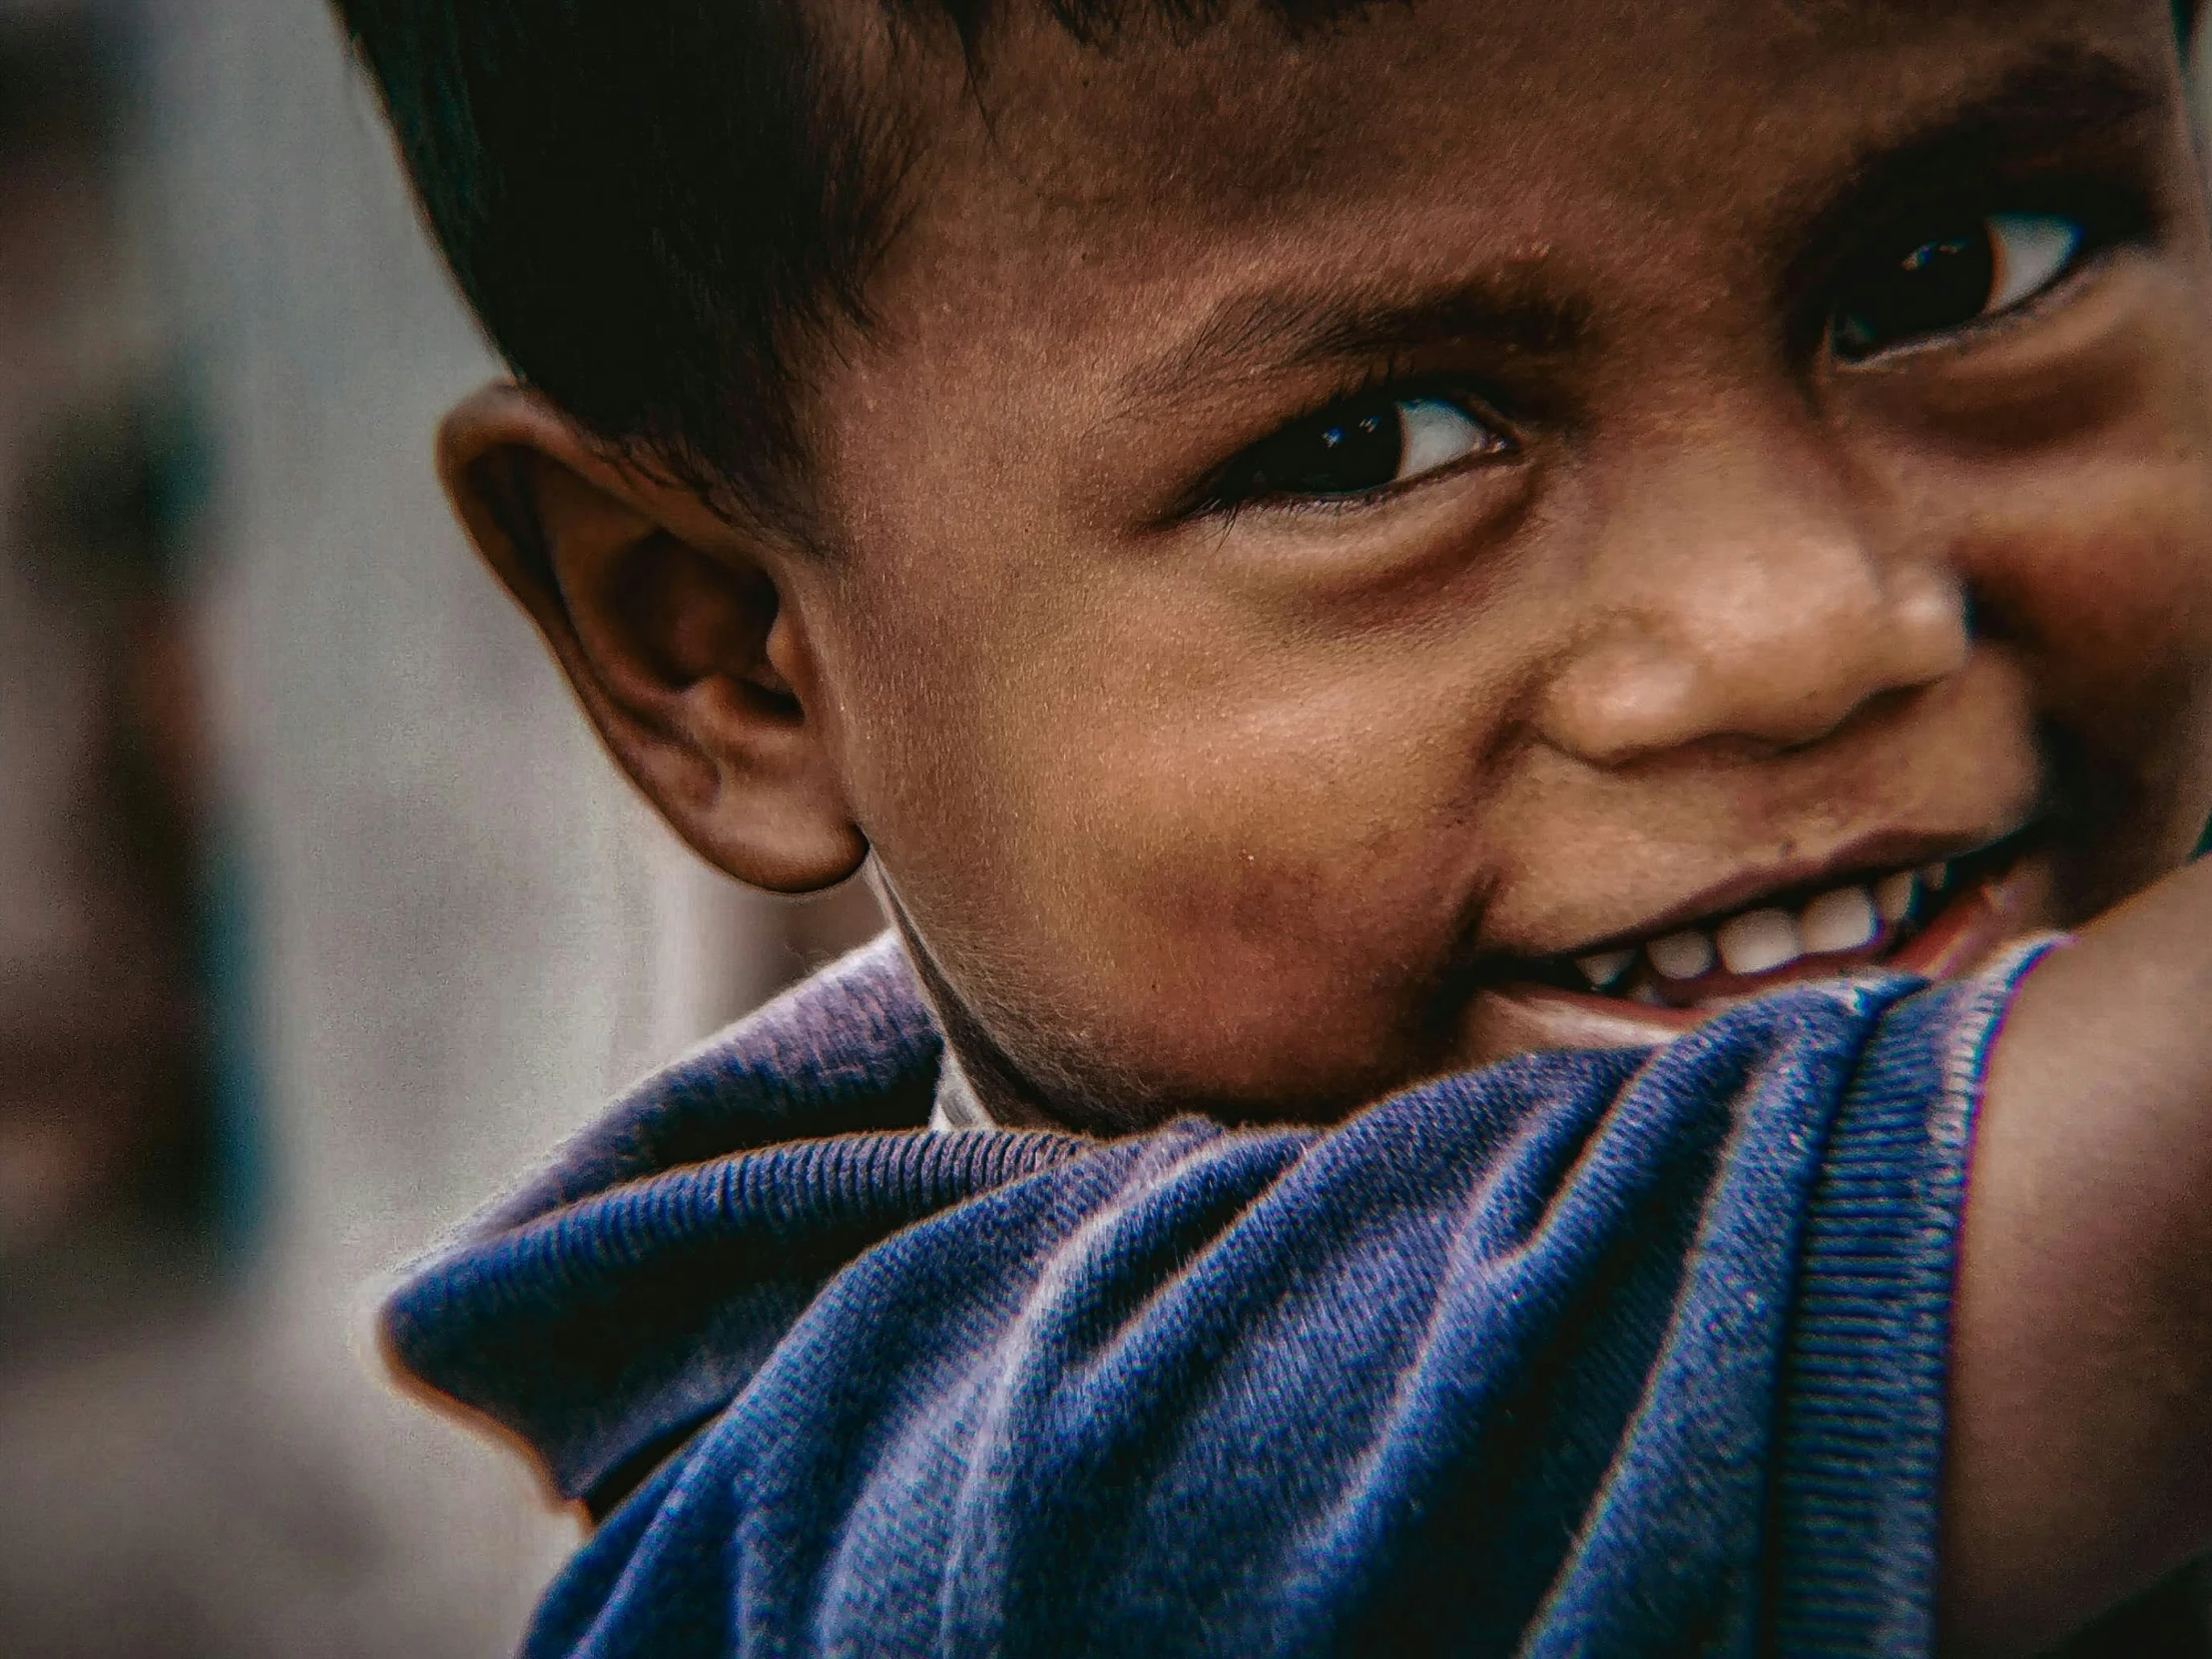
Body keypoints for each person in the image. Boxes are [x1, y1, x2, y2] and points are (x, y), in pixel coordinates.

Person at [344, 0, 2212, 1651]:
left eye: (1961, 271)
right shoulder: (1010, 1512)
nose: (1798, 627)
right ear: (733, 652)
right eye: (1369, 449)